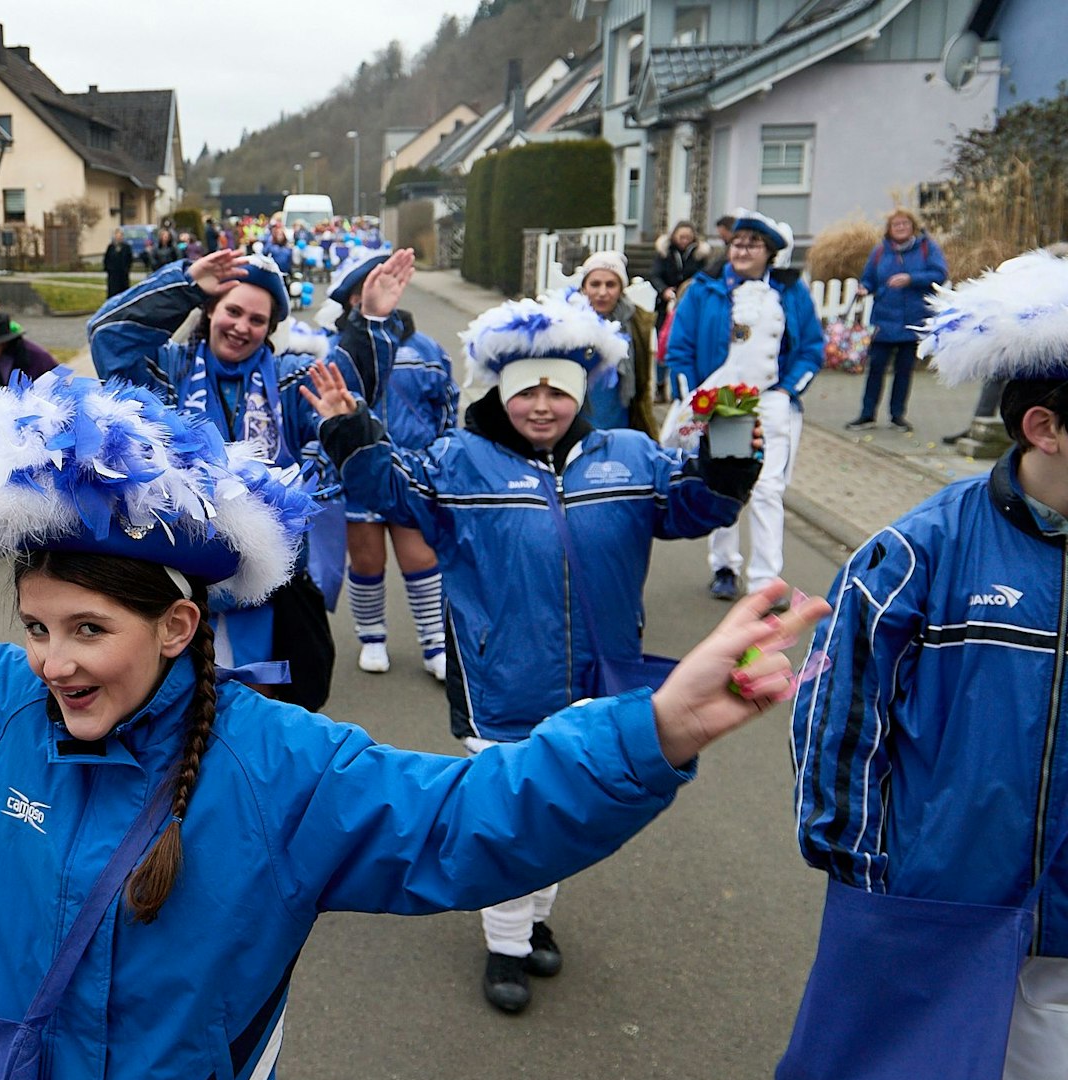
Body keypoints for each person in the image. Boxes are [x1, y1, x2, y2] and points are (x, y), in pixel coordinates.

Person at [0, 359, 823, 1080]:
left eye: (88, 630)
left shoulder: (277, 766)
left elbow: (464, 823)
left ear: (177, 629)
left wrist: (650, 734)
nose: (53, 662)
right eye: (33, 627)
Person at [309, 291, 760, 1015]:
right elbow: (390, 487)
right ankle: (507, 944)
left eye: (558, 390)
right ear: (504, 392)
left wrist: (732, 446)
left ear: (581, 392)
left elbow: (698, 505)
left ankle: (531, 915)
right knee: (512, 809)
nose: (542, 405)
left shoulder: (629, 457)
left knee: (571, 800)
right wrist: (350, 430)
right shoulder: (460, 462)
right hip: (502, 677)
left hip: (601, 671)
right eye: (527, 391)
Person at [789, 250, 1068, 1080]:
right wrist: (865, 864)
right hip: (941, 894)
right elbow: (841, 709)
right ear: (1043, 428)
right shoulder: (922, 549)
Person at [87, 249, 415, 710]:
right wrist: (186, 283)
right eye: (233, 311)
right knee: (172, 708)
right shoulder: (168, 369)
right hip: (173, 573)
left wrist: (372, 320)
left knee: (255, 713)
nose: (242, 326)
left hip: (266, 583)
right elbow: (109, 335)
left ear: (271, 329)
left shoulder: (286, 379)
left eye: (257, 320)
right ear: (209, 311)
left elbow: (343, 391)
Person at [666, 207, 822, 606]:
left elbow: (810, 349)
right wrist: (694, 396)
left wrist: (787, 391)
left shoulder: (791, 291)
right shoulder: (705, 289)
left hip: (772, 399)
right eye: (737, 242)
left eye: (752, 244)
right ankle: (724, 565)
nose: (742, 249)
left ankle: (766, 582)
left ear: (769, 252)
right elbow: (680, 348)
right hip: (726, 403)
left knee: (769, 489)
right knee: (725, 484)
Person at [324, 249, 458, 679]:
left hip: (413, 469)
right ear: (349, 302)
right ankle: (372, 637)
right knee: (366, 562)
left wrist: (441, 454)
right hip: (358, 475)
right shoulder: (335, 352)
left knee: (420, 558)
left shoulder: (426, 348)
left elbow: (447, 403)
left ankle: (435, 642)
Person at [848, 208, 948, 433]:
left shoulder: (926, 248)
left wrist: (911, 279)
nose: (901, 228)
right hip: (884, 320)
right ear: (889, 229)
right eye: (896, 225)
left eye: (905, 224)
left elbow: (939, 274)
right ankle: (866, 415)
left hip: (913, 320)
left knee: (904, 372)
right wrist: (865, 288)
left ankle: (897, 416)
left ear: (913, 226)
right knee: (876, 370)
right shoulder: (880, 251)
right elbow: (869, 278)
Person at [574, 250, 659, 435]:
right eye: (595, 284)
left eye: (610, 285)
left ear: (621, 289)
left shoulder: (637, 322)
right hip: (578, 420)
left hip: (622, 418)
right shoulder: (569, 323)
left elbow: (644, 381)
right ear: (584, 288)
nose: (602, 292)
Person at [650, 221, 709, 330]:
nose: (684, 241)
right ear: (674, 236)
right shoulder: (665, 252)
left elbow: (704, 276)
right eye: (681, 237)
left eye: (688, 237)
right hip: (666, 302)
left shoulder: (699, 255)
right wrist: (664, 290)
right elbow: (655, 275)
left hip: (691, 300)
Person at [103, 229, 135, 298]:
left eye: (120, 236)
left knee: (123, 292)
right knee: (113, 291)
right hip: (113, 275)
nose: (119, 238)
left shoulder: (126, 247)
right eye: (117, 236)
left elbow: (130, 259)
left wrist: (127, 269)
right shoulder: (111, 247)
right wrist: (108, 269)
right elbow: (106, 259)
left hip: (123, 274)